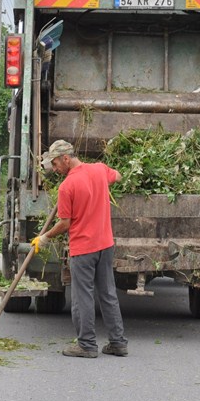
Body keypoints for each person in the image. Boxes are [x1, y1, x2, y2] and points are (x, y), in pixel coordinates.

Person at [31, 140, 128, 358]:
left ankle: (86, 345)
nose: (54, 169)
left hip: (84, 249)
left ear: (66, 158)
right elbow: (119, 176)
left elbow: (65, 223)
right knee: (108, 293)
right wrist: (100, 185)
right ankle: (118, 343)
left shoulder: (67, 186)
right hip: (105, 244)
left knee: (82, 296)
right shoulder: (100, 170)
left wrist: (44, 237)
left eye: (55, 164)